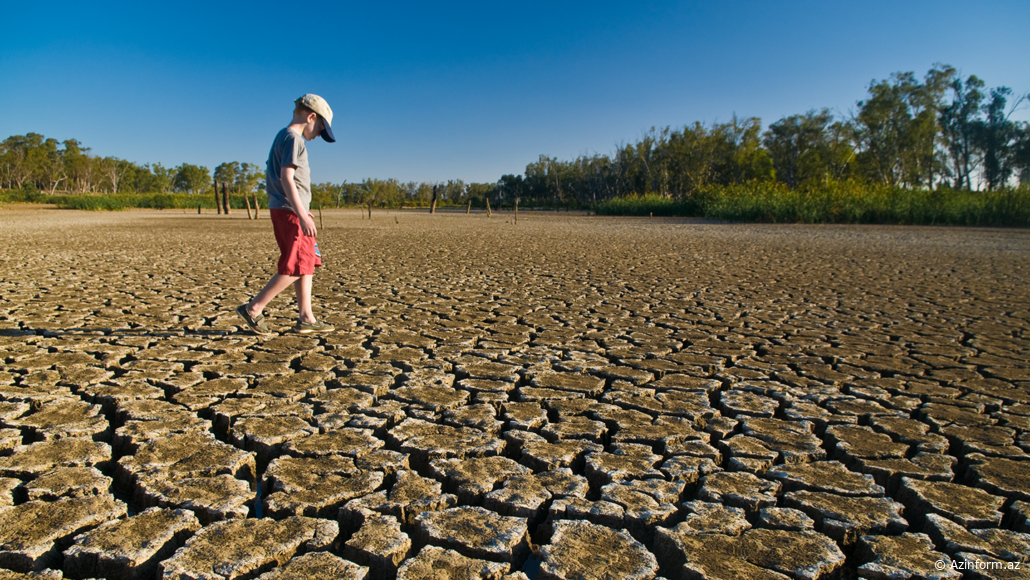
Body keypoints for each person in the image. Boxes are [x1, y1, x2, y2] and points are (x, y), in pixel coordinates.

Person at [236, 94, 336, 334]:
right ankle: (253, 308)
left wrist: (304, 211)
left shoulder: (283, 136)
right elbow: (286, 178)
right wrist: (301, 213)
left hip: (292, 210)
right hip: (291, 211)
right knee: (296, 265)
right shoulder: (293, 139)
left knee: (308, 262)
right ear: (311, 117)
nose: (318, 136)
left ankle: (306, 317)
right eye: (320, 129)